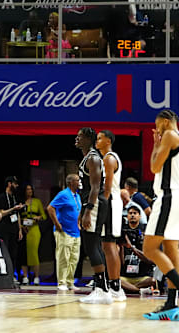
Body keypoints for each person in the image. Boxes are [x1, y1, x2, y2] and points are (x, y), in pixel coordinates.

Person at [142, 109, 179, 321]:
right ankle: (171, 303)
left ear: (166, 122)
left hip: (168, 198)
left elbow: (154, 167)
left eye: (157, 124)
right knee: (171, 249)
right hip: (178, 198)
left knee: (149, 248)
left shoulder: (169, 135)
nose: (156, 129)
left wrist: (156, 145)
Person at [76, 127, 112, 304]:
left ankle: (102, 289)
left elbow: (96, 187)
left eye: (80, 136)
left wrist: (88, 211)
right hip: (90, 204)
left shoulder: (93, 158)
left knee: (92, 245)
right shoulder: (87, 158)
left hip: (96, 203)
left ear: (88, 139)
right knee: (92, 245)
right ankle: (102, 287)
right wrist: (82, 211)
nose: (76, 139)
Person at [96, 130, 126, 301]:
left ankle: (115, 286)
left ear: (108, 140)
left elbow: (107, 187)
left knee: (109, 245)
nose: (97, 141)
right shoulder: (106, 158)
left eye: (100, 138)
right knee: (108, 245)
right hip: (112, 203)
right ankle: (113, 284)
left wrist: (101, 206)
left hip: (110, 202)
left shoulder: (109, 158)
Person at [47, 174, 81, 291]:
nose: (79, 182)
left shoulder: (77, 196)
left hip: (76, 232)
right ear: (71, 182)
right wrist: (57, 224)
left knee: (74, 258)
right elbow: (50, 208)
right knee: (63, 258)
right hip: (64, 232)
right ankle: (61, 282)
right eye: (77, 180)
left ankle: (70, 281)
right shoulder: (63, 194)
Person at [119, 206, 156, 293]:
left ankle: (130, 289)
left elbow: (149, 260)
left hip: (142, 276)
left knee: (153, 280)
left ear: (140, 216)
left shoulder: (146, 231)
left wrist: (131, 247)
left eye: (135, 213)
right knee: (115, 280)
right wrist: (122, 247)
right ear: (127, 216)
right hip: (126, 276)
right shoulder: (123, 232)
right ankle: (138, 290)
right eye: (130, 213)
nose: (132, 215)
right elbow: (121, 263)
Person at [0, 175, 23, 281]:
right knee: (5, 251)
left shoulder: (15, 197)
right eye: (15, 184)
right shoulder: (2, 197)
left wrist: (20, 229)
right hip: (4, 229)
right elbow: (0, 213)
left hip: (14, 229)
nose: (17, 186)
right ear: (9, 184)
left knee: (14, 253)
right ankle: (4, 275)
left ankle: (12, 274)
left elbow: (17, 214)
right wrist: (12, 208)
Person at [18, 184, 45, 285]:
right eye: (27, 189)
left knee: (34, 252)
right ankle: (25, 276)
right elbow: (18, 215)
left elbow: (44, 215)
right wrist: (21, 226)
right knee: (23, 254)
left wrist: (38, 217)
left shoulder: (37, 202)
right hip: (24, 229)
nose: (29, 191)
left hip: (34, 229)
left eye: (30, 189)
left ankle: (36, 277)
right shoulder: (21, 202)